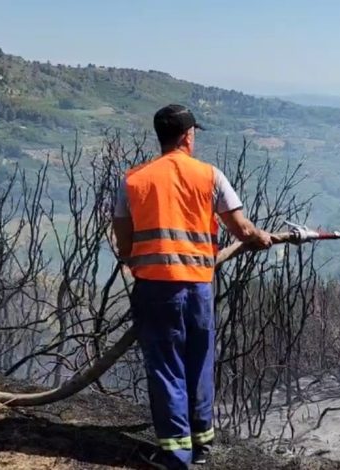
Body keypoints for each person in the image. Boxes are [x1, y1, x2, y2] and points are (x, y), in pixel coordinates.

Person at [112, 104, 272, 469]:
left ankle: (176, 452)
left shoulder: (134, 180)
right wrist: (260, 237)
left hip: (154, 289)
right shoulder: (210, 175)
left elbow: (125, 245)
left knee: (166, 368)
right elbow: (242, 229)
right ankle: (196, 447)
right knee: (198, 362)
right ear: (187, 136)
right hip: (198, 288)